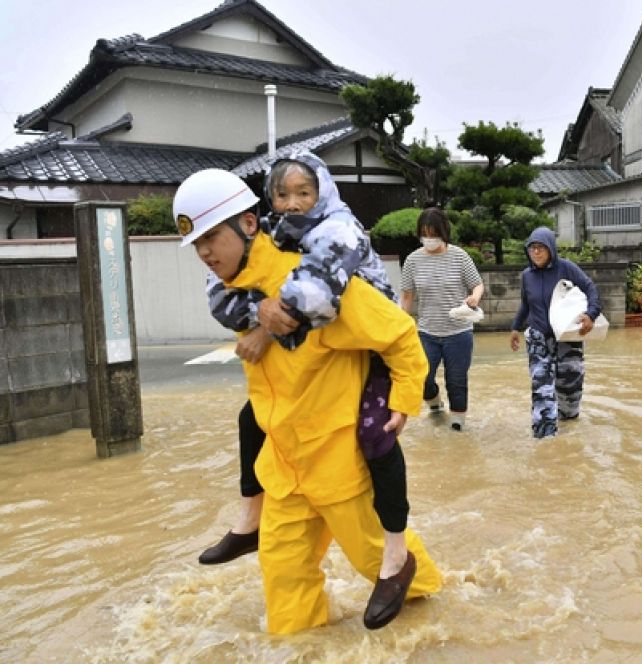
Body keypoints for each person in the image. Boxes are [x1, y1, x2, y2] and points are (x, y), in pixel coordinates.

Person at [173, 168, 442, 634]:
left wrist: (403, 400)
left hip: (340, 466)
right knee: (283, 581)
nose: (204, 252)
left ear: (249, 226)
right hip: (285, 469)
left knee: (388, 568)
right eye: (197, 243)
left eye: (212, 237)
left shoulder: (319, 285)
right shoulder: (240, 296)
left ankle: (442, 624)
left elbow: (399, 331)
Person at [509, 227, 601, 439]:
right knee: (542, 389)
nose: (537, 253)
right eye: (532, 249)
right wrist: (515, 328)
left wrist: (591, 314)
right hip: (538, 337)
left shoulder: (566, 268)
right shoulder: (527, 276)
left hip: (567, 337)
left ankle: (568, 428)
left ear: (551, 248)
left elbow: (590, 288)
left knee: (570, 387)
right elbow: (525, 304)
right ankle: (545, 438)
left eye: (541, 248)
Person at [399, 207, 484, 431]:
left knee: (456, 380)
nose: (429, 239)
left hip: (459, 332)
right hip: (427, 332)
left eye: (433, 233)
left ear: (444, 232)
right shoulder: (412, 260)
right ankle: (435, 403)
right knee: (422, 378)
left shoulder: (459, 256)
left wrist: (474, 297)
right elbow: (407, 295)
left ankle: (458, 424)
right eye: (424, 234)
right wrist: (400, 325)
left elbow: (477, 283)